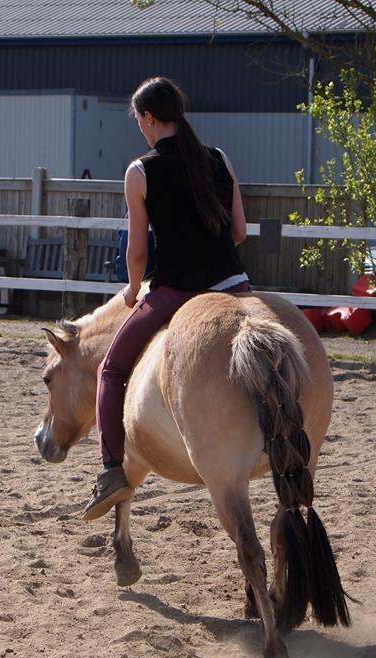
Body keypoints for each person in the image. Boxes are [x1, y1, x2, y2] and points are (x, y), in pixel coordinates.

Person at [83, 76, 250, 521]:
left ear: (150, 118)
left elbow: (137, 252)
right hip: (236, 286)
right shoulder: (219, 160)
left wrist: (134, 289)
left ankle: (111, 472)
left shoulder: (140, 172)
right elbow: (239, 233)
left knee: (111, 369)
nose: (139, 126)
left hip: (177, 291)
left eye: (139, 119)